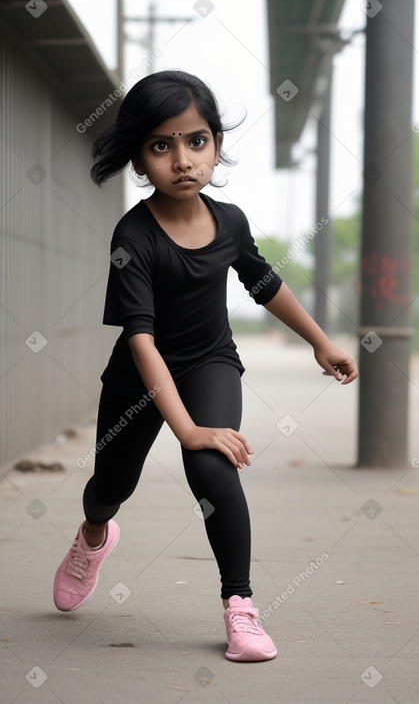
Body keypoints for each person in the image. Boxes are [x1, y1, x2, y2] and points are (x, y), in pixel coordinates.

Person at [53, 70, 358, 662]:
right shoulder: (132, 236)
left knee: (212, 467)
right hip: (140, 378)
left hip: (211, 361)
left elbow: (264, 284)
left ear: (216, 145)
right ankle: (93, 538)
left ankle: (240, 608)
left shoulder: (231, 221)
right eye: (161, 146)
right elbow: (141, 340)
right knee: (110, 488)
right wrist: (184, 424)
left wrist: (320, 341)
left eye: (196, 141)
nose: (183, 159)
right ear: (141, 159)